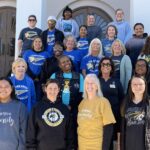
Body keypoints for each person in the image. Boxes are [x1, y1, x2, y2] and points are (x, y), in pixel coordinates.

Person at [26, 79, 74, 150]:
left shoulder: (64, 109)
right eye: (50, 88)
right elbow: (31, 131)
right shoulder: (37, 108)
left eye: (55, 88)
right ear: (45, 89)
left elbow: (69, 133)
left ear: (58, 90)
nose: (52, 91)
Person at [50, 55, 84, 149]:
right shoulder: (55, 76)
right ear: (60, 65)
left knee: (73, 132)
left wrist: (72, 106)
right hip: (58, 109)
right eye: (63, 62)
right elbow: (51, 93)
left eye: (68, 61)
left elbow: (81, 94)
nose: (66, 63)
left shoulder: (79, 76)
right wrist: (62, 106)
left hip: (74, 110)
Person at [77, 74, 116, 150]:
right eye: (87, 83)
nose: (89, 85)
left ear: (97, 86)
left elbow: (109, 128)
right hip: (82, 144)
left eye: (92, 83)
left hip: (97, 145)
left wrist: (105, 148)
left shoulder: (103, 102)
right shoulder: (82, 103)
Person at [98, 57, 124, 150]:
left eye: (108, 64)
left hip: (114, 115)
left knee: (111, 139)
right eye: (103, 64)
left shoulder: (116, 81)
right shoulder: (96, 81)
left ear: (112, 67)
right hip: (99, 116)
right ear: (100, 67)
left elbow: (122, 98)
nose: (106, 66)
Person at [120, 75, 150, 150]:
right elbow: (122, 128)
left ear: (145, 86)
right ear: (130, 86)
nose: (137, 87)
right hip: (128, 146)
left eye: (140, 84)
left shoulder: (148, 103)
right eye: (135, 84)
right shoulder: (125, 103)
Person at [0, 77, 27, 150]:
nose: (3, 89)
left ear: (12, 88)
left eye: (6, 86)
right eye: (0, 87)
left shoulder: (20, 106)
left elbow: (23, 132)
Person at [23, 36, 50, 101]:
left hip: (41, 79)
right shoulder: (27, 53)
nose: (38, 43)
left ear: (42, 43)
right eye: (36, 41)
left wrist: (39, 77)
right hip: (29, 78)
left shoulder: (46, 54)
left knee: (38, 97)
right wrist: (32, 76)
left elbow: (48, 67)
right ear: (33, 43)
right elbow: (24, 65)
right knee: (29, 96)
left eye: (40, 42)